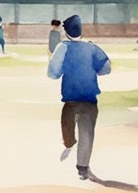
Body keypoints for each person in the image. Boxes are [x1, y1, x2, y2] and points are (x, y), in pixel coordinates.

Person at [47, 15, 111, 181]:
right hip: (90, 98)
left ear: (66, 32)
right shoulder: (91, 47)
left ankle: (69, 144)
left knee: (67, 126)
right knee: (87, 133)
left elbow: (53, 73)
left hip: (71, 99)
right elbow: (106, 68)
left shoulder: (63, 47)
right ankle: (83, 168)